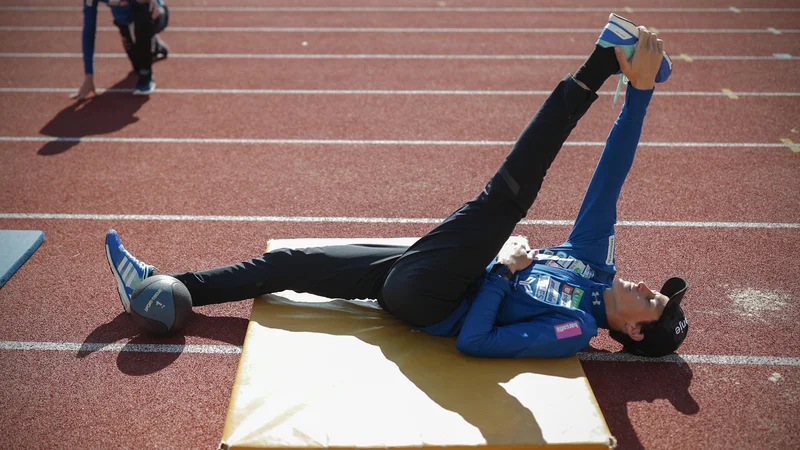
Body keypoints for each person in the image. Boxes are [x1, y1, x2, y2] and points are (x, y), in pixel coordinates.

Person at [104, 14, 689, 358]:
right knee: (294, 262)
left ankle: (599, 62)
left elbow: (477, 343)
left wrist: (507, 273)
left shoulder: (577, 327)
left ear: (632, 330)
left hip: (434, 300)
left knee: (504, 203)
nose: (644, 285)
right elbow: (610, 179)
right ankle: (169, 288)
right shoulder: (596, 264)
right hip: (434, 265)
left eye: (651, 300)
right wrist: (640, 98)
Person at [76, 0, 170, 99]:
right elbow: (89, 30)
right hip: (125, 21)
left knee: (142, 12)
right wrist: (88, 76)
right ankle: (154, 46)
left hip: (154, 13)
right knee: (137, 65)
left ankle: (146, 74)